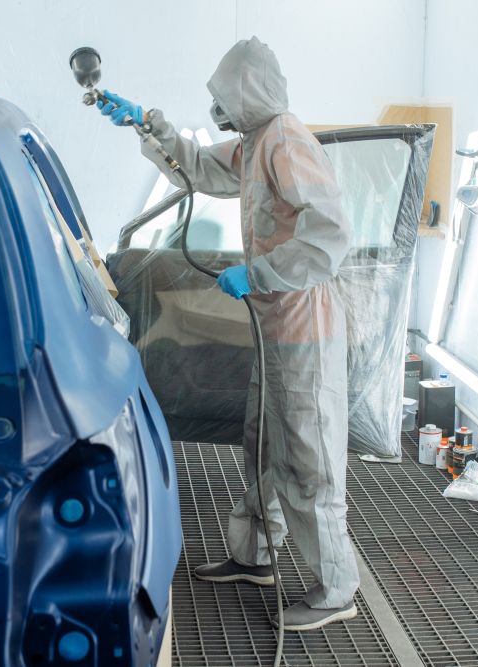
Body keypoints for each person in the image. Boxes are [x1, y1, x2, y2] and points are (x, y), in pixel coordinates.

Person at [97, 36, 359, 631]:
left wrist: (261, 271)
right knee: (264, 445)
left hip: (304, 333)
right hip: (275, 330)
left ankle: (336, 589)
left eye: (224, 97)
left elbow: (329, 236)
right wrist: (146, 123)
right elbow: (199, 169)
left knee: (307, 460)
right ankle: (254, 557)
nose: (218, 109)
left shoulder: (288, 141)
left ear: (251, 92)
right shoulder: (256, 142)